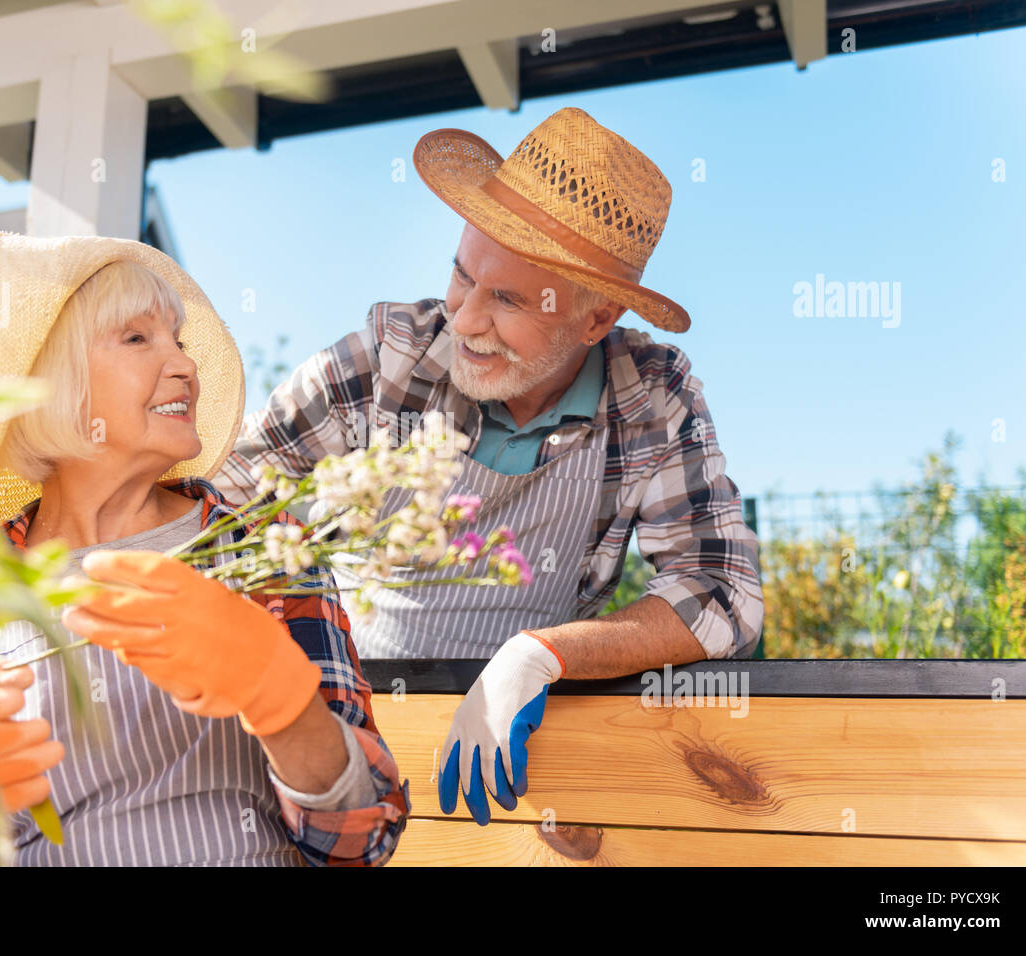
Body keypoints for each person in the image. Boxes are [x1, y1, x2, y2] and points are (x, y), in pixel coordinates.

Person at [208, 107, 765, 825]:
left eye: (505, 299)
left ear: (594, 321)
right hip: (346, 744)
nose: (465, 320)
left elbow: (724, 596)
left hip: (517, 770)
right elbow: (221, 509)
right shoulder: (387, 362)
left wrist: (543, 655)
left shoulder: (651, 396)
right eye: (462, 276)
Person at [0, 231, 409, 865]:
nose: (184, 364)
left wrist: (282, 702)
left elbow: (365, 837)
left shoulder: (263, 546)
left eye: (177, 339)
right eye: (136, 338)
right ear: (49, 381)